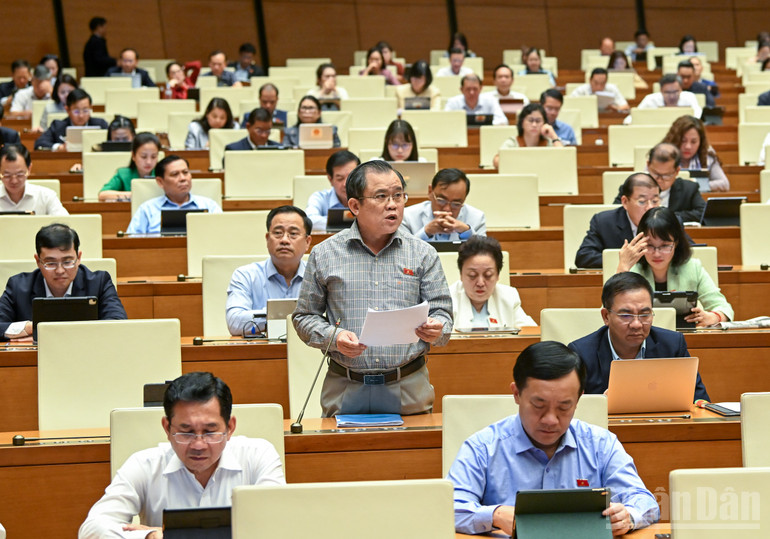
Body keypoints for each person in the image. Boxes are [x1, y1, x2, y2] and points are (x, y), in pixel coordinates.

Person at [448, 340, 659, 536]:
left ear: (578, 399)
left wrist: (628, 516)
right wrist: (495, 515)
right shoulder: (483, 447)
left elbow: (645, 502)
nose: (550, 420)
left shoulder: (600, 444)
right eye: (539, 405)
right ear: (516, 394)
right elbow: (449, 509)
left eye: (564, 407)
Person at [292, 160, 453, 416]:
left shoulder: (423, 254)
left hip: (408, 385)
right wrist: (334, 338)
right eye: (381, 196)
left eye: (398, 195)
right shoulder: (325, 254)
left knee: (413, 455)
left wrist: (437, 327)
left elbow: (443, 314)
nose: (393, 204)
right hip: (345, 384)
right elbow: (304, 317)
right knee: (341, 456)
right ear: (354, 205)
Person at [78, 371, 285, 538]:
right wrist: (151, 537)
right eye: (186, 432)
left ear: (230, 427)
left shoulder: (258, 457)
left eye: (210, 431)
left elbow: (277, 526)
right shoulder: (144, 464)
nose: (198, 444)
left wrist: (170, 537)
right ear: (167, 428)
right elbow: (92, 529)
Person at [568, 272, 710, 402]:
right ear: (606, 316)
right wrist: (600, 404)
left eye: (644, 314)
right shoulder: (582, 353)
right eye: (626, 315)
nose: (636, 324)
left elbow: (699, 401)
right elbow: (574, 410)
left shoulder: (672, 345)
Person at [0, 223, 126, 341]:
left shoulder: (99, 282)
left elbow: (118, 323)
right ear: (38, 261)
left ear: (79, 258)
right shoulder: (18, 286)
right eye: (50, 263)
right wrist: (31, 328)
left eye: (67, 262)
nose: (60, 270)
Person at [616, 207, 733, 326]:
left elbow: (724, 308)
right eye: (650, 246)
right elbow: (608, 313)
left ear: (676, 243)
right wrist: (622, 270)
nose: (657, 253)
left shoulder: (693, 268)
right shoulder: (631, 270)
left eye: (665, 246)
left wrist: (714, 317)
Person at [226, 206, 312, 335]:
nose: (284, 240)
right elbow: (234, 322)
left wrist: (271, 317)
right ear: (267, 239)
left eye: (293, 234)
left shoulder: (317, 276)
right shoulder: (246, 275)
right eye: (278, 233)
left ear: (307, 242)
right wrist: (279, 314)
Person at [575, 173, 660, 269]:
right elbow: (584, 257)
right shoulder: (604, 222)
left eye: (655, 201)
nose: (650, 207)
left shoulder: (671, 221)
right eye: (642, 201)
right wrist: (627, 259)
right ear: (625, 202)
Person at [450, 236, 535, 330]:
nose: (480, 283)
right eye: (472, 275)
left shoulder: (509, 297)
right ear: (461, 275)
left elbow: (529, 333)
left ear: (498, 275)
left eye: (488, 275)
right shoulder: (447, 300)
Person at [127, 155, 222, 234]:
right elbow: (132, 242)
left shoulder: (210, 206)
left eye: (185, 172)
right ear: (160, 182)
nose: (183, 178)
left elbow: (224, 234)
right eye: (175, 174)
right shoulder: (147, 209)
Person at [613, 142, 706, 223]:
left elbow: (703, 213)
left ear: (677, 171)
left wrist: (664, 215)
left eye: (666, 176)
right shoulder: (633, 187)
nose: (659, 180)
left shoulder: (689, 188)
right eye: (656, 174)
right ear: (648, 165)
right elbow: (616, 213)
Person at [400, 167, 486, 242]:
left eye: (456, 204)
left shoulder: (477, 218)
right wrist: (426, 232)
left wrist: (466, 232)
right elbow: (403, 253)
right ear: (430, 192)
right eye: (441, 200)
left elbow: (484, 254)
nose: (447, 209)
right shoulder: (407, 216)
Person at [662, 115, 728, 191]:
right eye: (683, 141)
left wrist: (695, 185)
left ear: (700, 142)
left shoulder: (707, 154)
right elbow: (648, 182)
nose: (688, 146)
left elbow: (724, 183)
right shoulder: (661, 154)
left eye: (693, 142)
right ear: (675, 139)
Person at [0, 143, 67, 216]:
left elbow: (65, 223)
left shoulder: (46, 196)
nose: (14, 181)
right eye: (7, 175)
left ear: (29, 169)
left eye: (20, 175)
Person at [34, 89, 109, 151]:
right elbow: (39, 143)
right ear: (67, 110)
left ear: (91, 108)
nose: (81, 115)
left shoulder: (101, 125)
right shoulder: (57, 126)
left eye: (85, 110)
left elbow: (111, 143)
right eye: (76, 111)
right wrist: (59, 147)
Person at [492, 103, 563, 168]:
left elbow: (563, 159)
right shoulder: (513, 142)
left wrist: (553, 135)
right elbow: (496, 161)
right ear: (522, 122)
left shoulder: (548, 142)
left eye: (538, 121)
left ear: (544, 123)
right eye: (530, 120)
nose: (534, 125)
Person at [305, 150, 360, 230]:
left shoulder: (369, 197)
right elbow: (309, 221)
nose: (345, 184)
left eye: (351, 178)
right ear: (330, 180)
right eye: (340, 178)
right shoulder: (320, 197)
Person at [99, 132, 160, 201]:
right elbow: (102, 195)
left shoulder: (162, 175)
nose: (149, 162)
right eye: (143, 157)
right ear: (133, 155)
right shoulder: (123, 174)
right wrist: (135, 194)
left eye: (153, 157)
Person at [635, 73, 702, 121]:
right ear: (661, 90)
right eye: (668, 92)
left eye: (675, 92)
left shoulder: (689, 97)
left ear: (681, 89)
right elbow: (632, 118)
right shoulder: (650, 100)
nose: (672, 96)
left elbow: (696, 118)